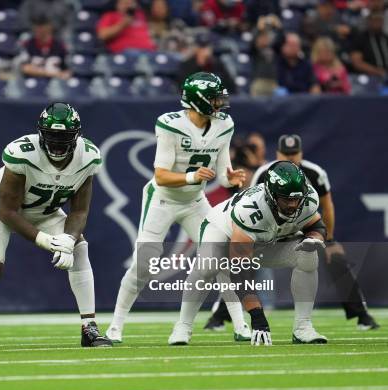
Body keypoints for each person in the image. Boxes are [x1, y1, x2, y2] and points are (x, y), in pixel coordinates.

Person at [0, 102, 113, 348]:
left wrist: (68, 239)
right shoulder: (22, 153)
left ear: (77, 136)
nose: (58, 144)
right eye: (52, 137)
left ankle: (89, 327)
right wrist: (46, 241)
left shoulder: (88, 156)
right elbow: (7, 212)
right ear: (40, 134)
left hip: (44, 210)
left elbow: (79, 209)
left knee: (79, 247)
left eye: (64, 137)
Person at [106, 72, 250, 344]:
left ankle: (240, 325)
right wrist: (192, 177)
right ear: (199, 101)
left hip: (195, 202)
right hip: (162, 199)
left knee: (217, 259)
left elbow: (221, 170)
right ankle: (115, 326)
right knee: (144, 266)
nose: (220, 103)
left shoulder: (224, 124)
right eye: (214, 98)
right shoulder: (171, 124)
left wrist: (229, 178)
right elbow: (161, 175)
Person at [170, 161, 328, 346]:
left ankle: (303, 328)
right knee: (207, 268)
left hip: (264, 241)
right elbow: (239, 271)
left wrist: (314, 239)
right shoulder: (250, 210)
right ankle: (183, 326)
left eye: (296, 199)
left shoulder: (308, 198)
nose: (293, 205)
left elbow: (316, 226)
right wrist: (257, 315)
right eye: (286, 199)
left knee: (308, 256)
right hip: (221, 229)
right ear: (271, 195)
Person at [251, 135, 379, 330]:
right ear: (277, 153)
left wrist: (329, 239)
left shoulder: (314, 173)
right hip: (271, 230)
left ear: (301, 153)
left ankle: (361, 314)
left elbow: (327, 207)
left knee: (336, 259)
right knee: (240, 261)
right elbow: (253, 206)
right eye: (286, 153)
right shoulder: (265, 173)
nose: (291, 157)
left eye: (294, 153)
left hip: (302, 229)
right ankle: (221, 315)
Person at [20, 16, 70, 80]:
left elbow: (67, 70)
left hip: (54, 84)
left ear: (49, 27)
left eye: (42, 26)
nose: (39, 29)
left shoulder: (60, 45)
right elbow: (25, 68)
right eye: (37, 26)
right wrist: (51, 73)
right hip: (33, 82)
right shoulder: (29, 44)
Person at [350, 12, 388, 79]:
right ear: (369, 21)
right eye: (374, 20)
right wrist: (378, 71)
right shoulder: (360, 38)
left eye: (379, 20)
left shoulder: (385, 38)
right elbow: (357, 63)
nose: (377, 22)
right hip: (369, 76)